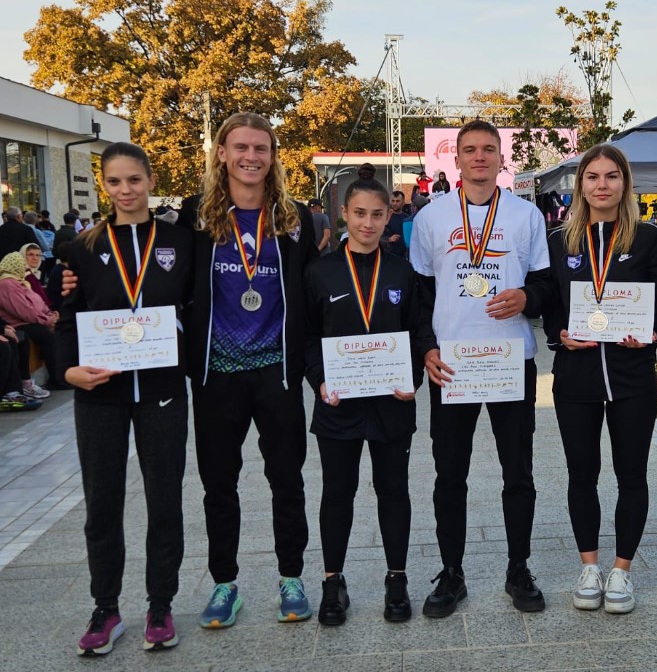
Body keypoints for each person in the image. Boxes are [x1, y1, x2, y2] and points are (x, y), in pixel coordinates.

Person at [176, 112, 318, 628]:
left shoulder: (295, 220)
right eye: (240, 147)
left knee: (287, 480)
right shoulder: (195, 217)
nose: (251, 157)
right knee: (219, 484)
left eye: (261, 148)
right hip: (217, 374)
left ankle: (291, 577)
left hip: (276, 371)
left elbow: (312, 289)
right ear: (221, 153)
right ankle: (224, 584)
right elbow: (169, 282)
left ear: (273, 156)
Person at [56, 142, 194, 656]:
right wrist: (68, 370)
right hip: (101, 393)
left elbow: (195, 306)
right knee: (102, 502)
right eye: (114, 181)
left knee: (165, 499)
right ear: (104, 185)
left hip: (161, 389)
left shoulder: (181, 242)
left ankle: (160, 604)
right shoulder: (81, 248)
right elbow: (67, 317)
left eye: (134, 179)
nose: (125, 190)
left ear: (151, 180)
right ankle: (105, 607)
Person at [410, 119, 551, 618]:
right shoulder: (431, 216)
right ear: (456, 159)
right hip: (452, 363)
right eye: (469, 149)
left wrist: (527, 297)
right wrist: (426, 347)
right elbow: (420, 292)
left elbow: (546, 284)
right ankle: (452, 572)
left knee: (518, 472)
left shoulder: (526, 215)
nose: (479, 157)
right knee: (450, 473)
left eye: (488, 149)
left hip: (509, 360)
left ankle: (518, 568)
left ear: (500, 157)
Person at [542, 144, 657, 614]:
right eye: (592, 177)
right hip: (577, 377)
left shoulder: (649, 238)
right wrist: (559, 333)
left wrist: (653, 333)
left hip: (632, 377)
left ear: (625, 183)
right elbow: (551, 302)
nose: (602, 185)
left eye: (611, 176)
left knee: (632, 475)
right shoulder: (560, 241)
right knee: (582, 475)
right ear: (581, 185)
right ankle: (589, 567)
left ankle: (622, 570)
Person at [304, 178, 432, 626]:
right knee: (337, 493)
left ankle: (397, 579)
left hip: (391, 402)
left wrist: (413, 378)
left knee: (393, 490)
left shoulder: (401, 271)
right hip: (337, 402)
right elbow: (307, 337)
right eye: (359, 213)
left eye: (377, 214)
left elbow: (418, 331)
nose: (368, 223)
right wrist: (319, 380)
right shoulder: (320, 271)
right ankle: (332, 581)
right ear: (344, 214)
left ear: (388, 216)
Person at [0, 251, 59, 397]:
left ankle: (23, 385)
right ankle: (20, 387)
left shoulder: (20, 281)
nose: (25, 266)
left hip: (26, 321)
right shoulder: (6, 284)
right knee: (42, 336)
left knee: (46, 333)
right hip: (18, 323)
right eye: (22, 264)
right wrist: (47, 320)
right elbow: (23, 310)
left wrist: (49, 314)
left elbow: (38, 302)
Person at [384, 190, 408, 259]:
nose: (395, 203)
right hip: (389, 255)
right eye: (393, 201)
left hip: (403, 256)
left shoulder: (407, 218)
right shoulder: (385, 217)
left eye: (397, 201)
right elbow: (377, 236)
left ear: (403, 202)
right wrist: (388, 239)